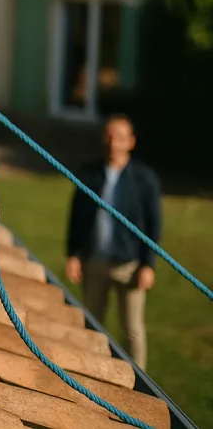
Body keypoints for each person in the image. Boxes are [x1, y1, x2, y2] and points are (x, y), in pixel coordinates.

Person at [65, 114, 162, 370]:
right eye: (108, 136)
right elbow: (76, 217)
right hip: (94, 261)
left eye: (119, 138)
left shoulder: (144, 179)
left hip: (129, 265)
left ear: (130, 142)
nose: (112, 143)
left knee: (132, 330)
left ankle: (139, 382)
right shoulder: (90, 174)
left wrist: (148, 264)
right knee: (91, 324)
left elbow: (154, 225)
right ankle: (91, 371)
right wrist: (74, 254)